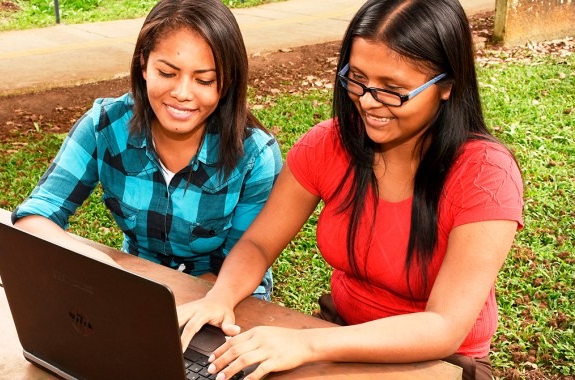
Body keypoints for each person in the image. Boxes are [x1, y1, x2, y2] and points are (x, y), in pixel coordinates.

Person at [177, 0, 524, 379]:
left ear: (446, 86)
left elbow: (443, 326)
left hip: (441, 364)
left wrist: (307, 344)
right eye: (357, 78)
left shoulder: (485, 174)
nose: (368, 101)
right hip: (337, 335)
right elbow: (259, 244)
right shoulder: (328, 145)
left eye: (394, 89)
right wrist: (221, 297)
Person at [11, 0, 282, 300]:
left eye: (204, 80)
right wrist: (105, 270)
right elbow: (35, 217)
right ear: (143, 65)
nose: (182, 94)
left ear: (227, 81)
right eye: (167, 73)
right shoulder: (105, 126)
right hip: (132, 288)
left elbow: (239, 262)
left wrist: (157, 300)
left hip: (226, 298)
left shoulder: (256, 156)